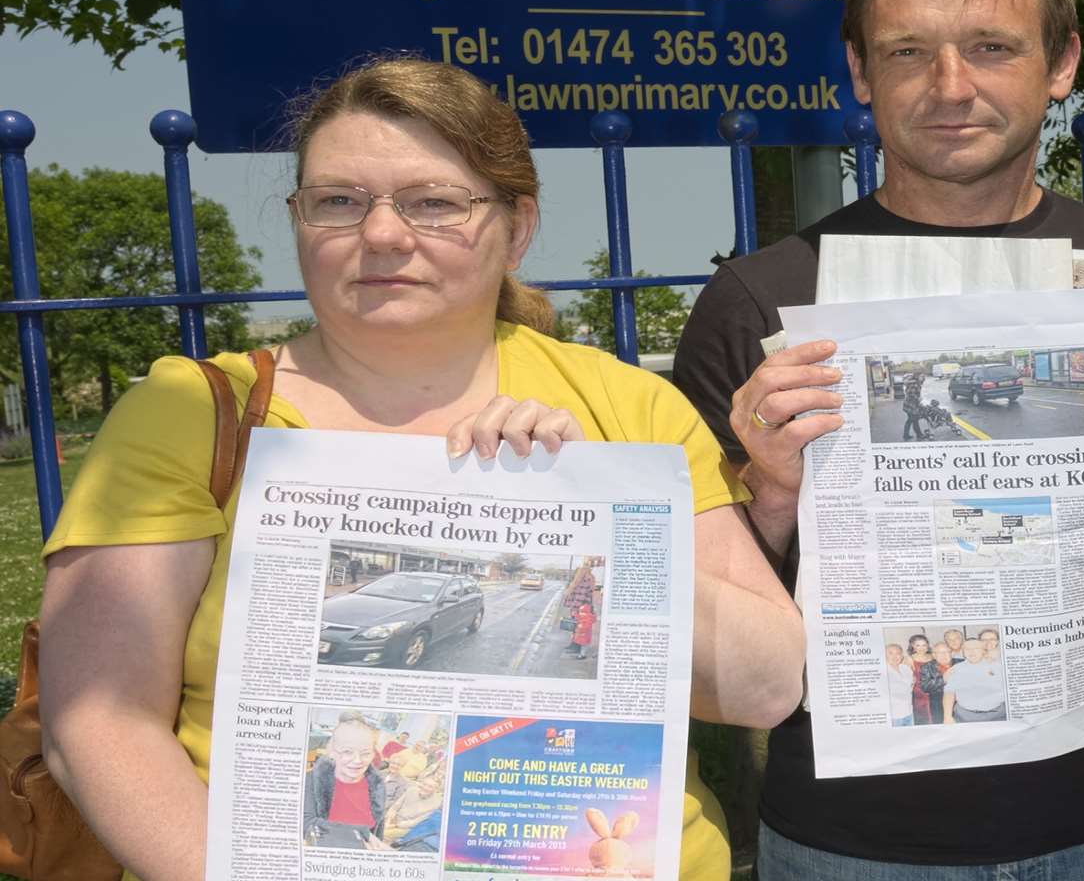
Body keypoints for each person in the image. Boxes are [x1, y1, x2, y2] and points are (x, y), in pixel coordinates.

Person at [35, 57, 805, 881]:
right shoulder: (194, 414)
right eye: (338, 201)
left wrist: (591, 516)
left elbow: (764, 687)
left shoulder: (626, 408)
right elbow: (97, 726)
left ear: (518, 225)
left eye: (434, 202)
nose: (382, 234)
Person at [674, 0, 1084, 879]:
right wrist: (767, 493)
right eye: (909, 52)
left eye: (990, 48)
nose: (951, 87)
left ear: (1060, 64)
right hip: (850, 845)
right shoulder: (757, 301)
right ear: (860, 74)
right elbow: (703, 632)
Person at [301, 713, 387, 849]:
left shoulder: (377, 785)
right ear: (332, 752)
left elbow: (377, 832)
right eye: (347, 752)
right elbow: (306, 822)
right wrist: (360, 832)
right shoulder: (313, 780)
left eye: (366, 753)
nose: (358, 761)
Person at [942, 639, 1006, 723]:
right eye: (967, 649)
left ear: (983, 651)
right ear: (963, 652)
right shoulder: (956, 669)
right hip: (964, 716)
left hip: (997, 715)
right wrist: (947, 717)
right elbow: (949, 693)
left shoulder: (998, 666)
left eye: (976, 648)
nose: (971, 651)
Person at [905, 633, 937, 726]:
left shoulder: (933, 656)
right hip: (919, 693)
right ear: (913, 647)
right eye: (917, 645)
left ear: (927, 645)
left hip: (934, 691)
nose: (921, 648)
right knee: (923, 717)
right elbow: (907, 678)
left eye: (924, 645)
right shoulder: (909, 659)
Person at [883, 644, 916, 726]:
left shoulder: (906, 669)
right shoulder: (882, 672)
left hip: (909, 712)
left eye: (898, 653)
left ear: (902, 656)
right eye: (890, 653)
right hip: (894, 717)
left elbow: (911, 686)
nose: (895, 656)